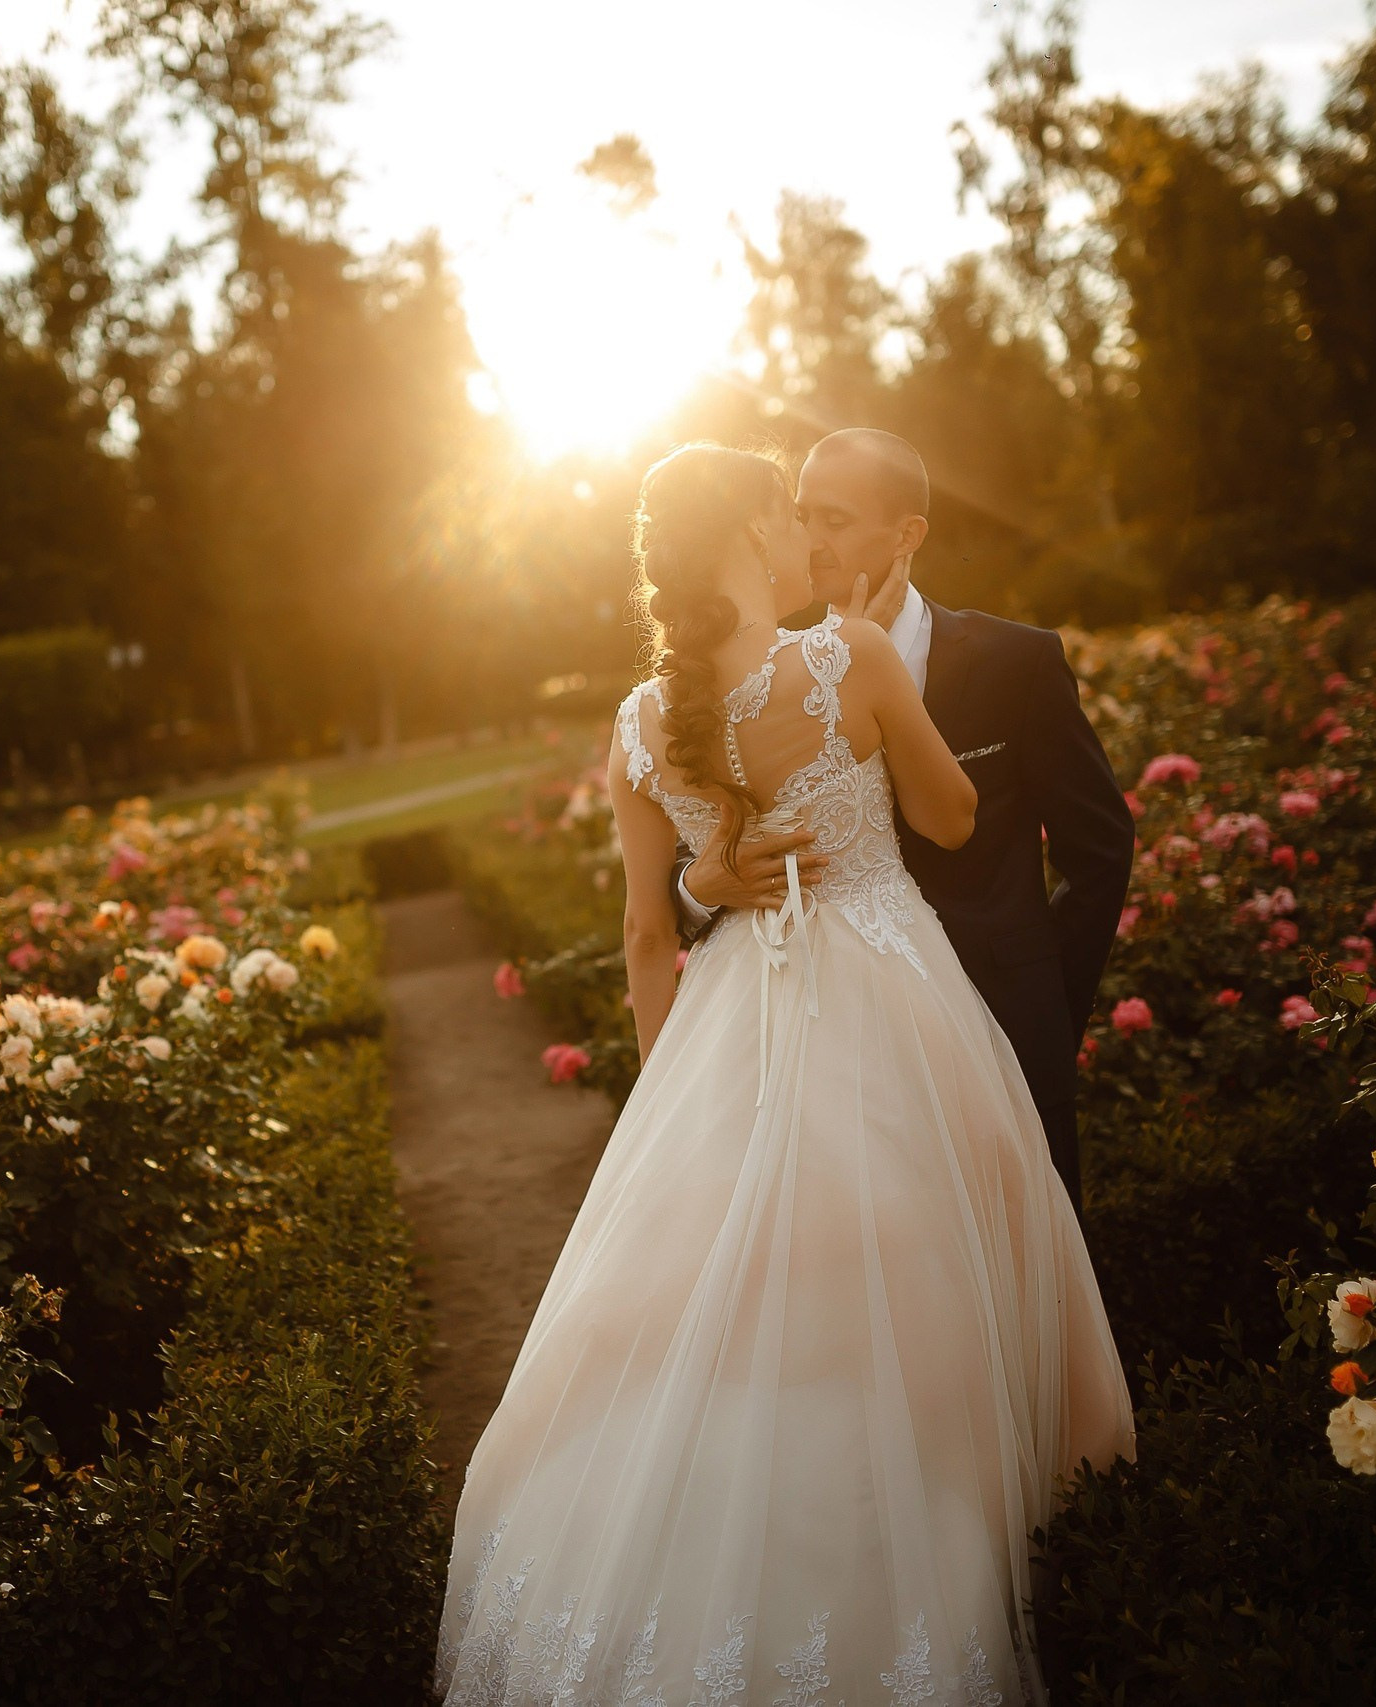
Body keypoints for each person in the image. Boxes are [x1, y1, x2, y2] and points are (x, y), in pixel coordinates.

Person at [435, 444, 1133, 1707]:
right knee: (928, 1265)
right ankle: (960, 1538)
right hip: (888, 996)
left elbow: (651, 936)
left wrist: (671, 1110)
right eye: (786, 512)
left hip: (729, 1026)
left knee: (749, 1303)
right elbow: (951, 820)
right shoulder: (846, 658)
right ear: (756, 526)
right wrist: (871, 684)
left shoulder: (640, 721)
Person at [675, 429, 1134, 1212]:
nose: (812, 541)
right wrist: (697, 886)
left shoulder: (1014, 662)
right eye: (801, 515)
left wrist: (1051, 1002)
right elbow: (687, 846)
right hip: (835, 1057)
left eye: (837, 518)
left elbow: (1101, 848)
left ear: (908, 533)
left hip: (1008, 1027)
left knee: (1036, 1281)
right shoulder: (751, 678)